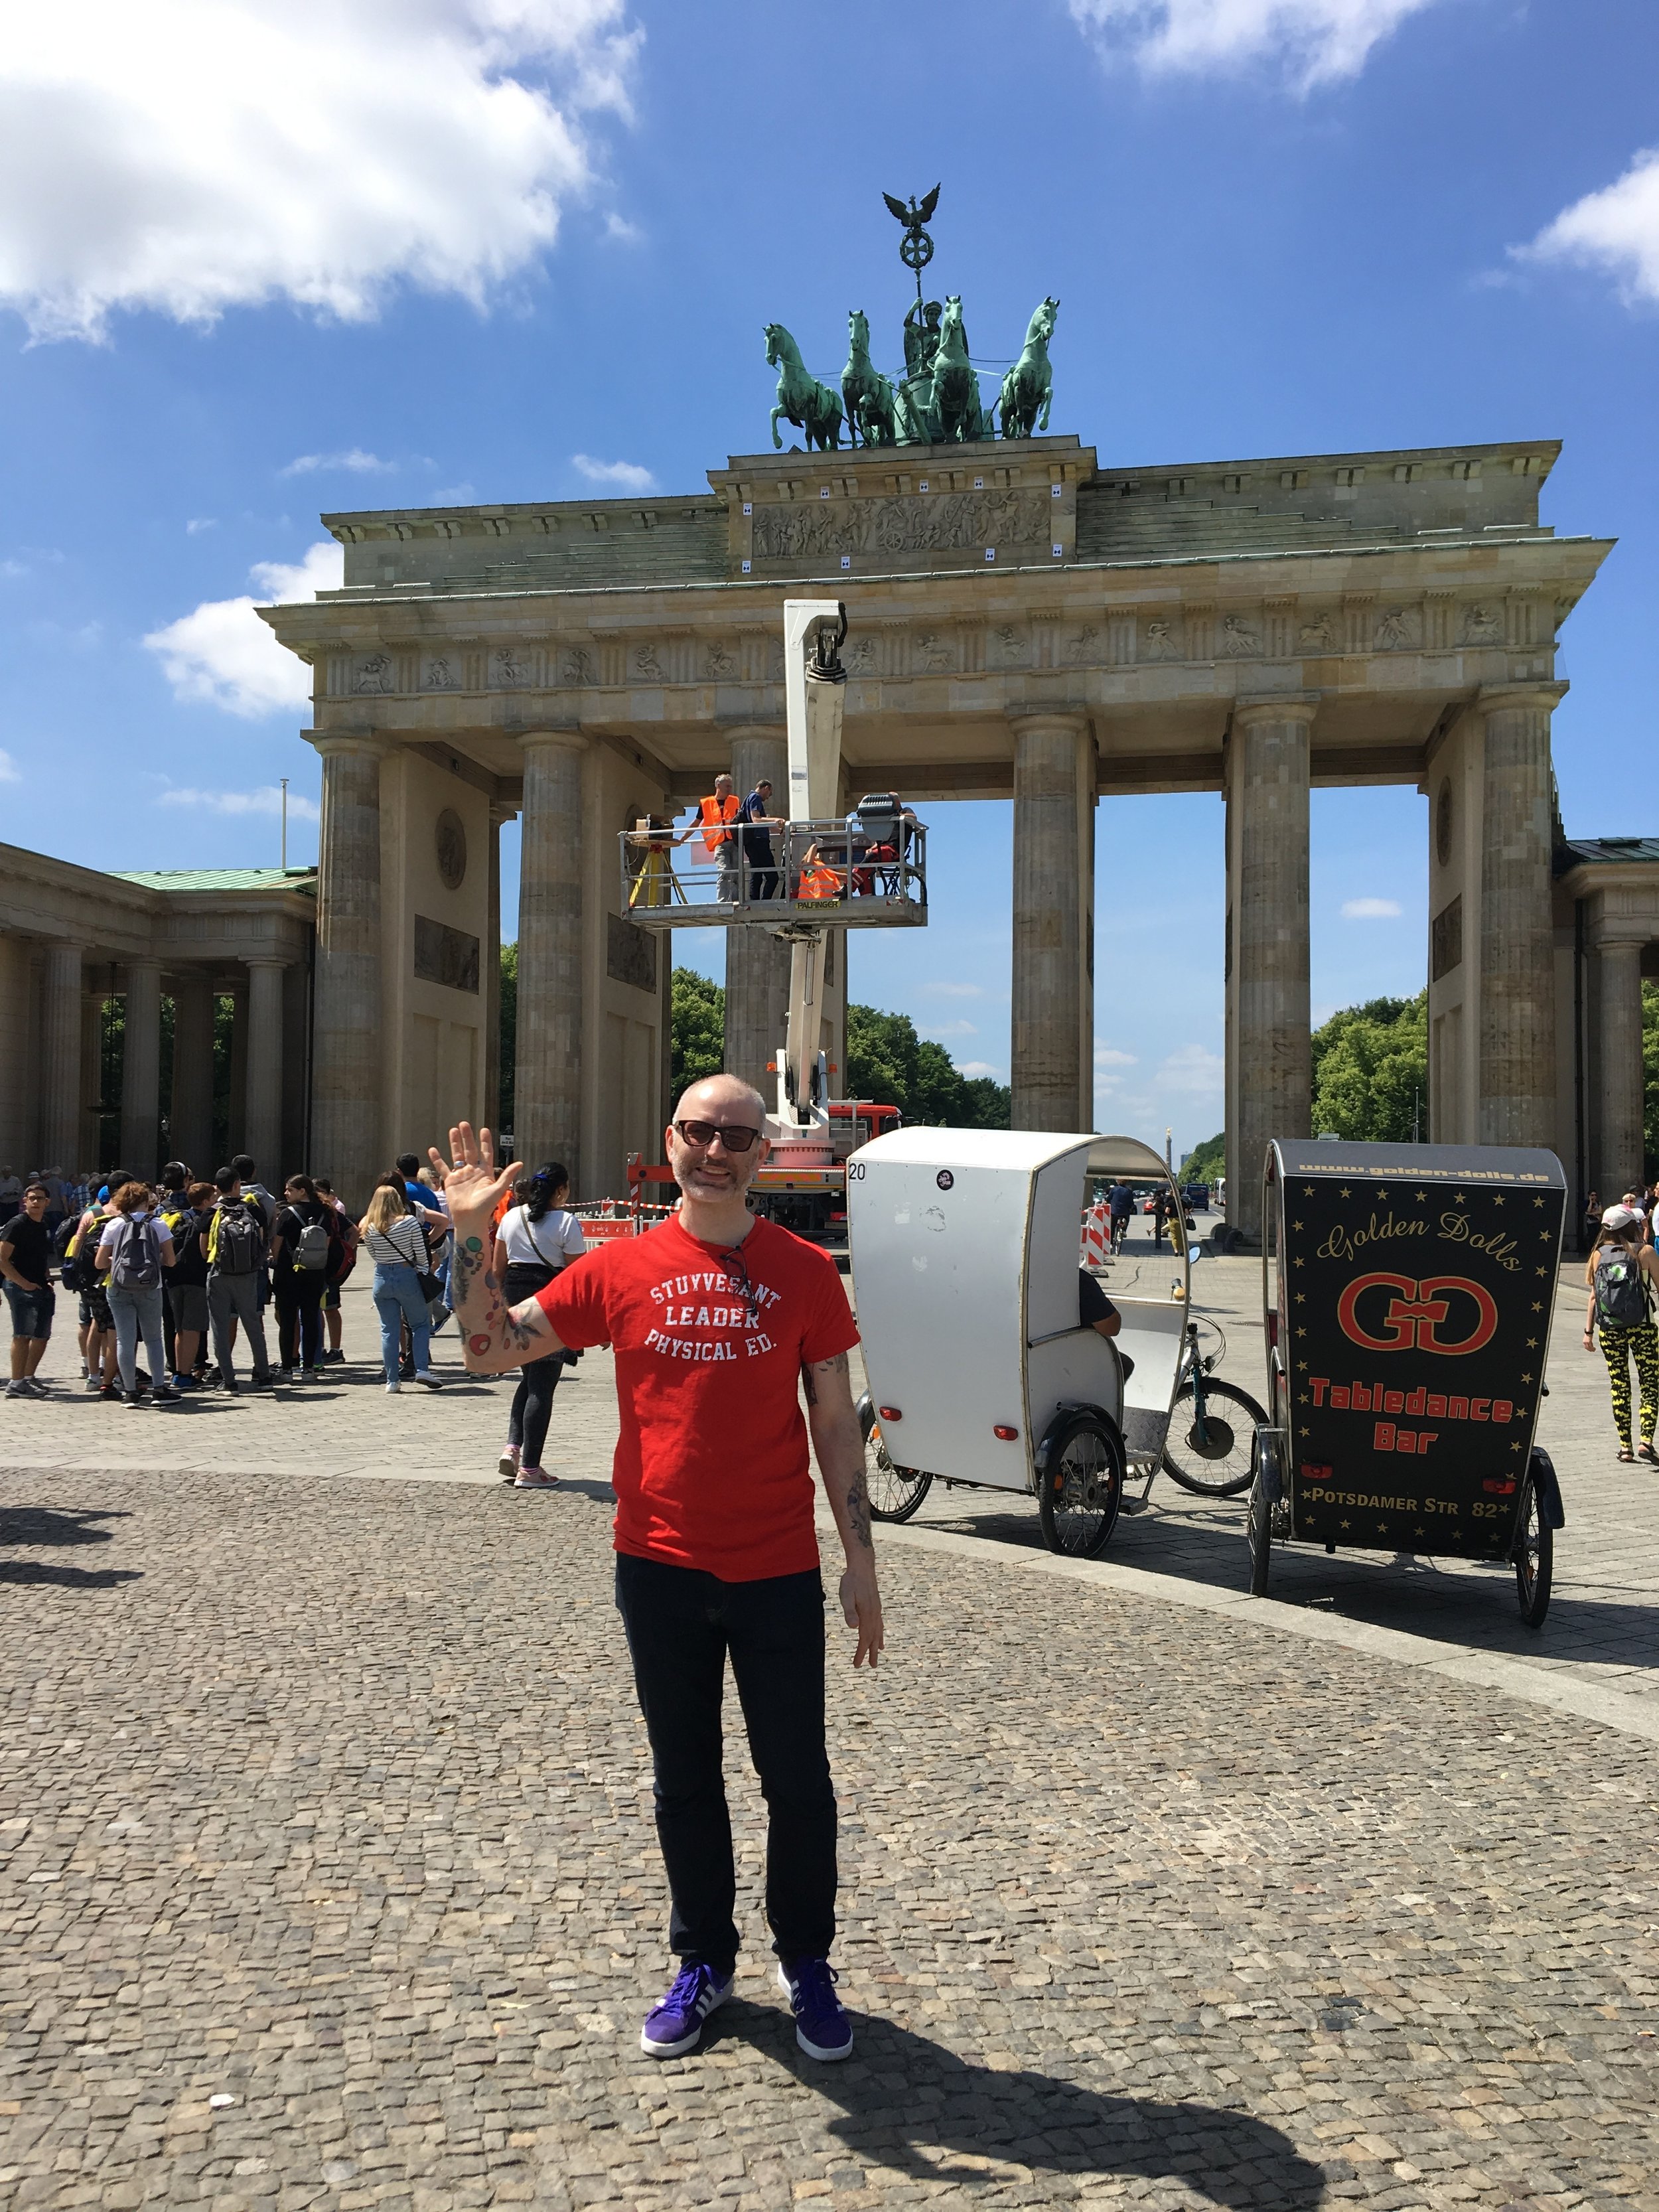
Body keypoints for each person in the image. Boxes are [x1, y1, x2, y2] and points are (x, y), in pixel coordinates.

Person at [436, 1074, 879, 2065]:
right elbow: (485, 1352)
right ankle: (704, 1960)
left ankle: (805, 1959)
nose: (714, 1150)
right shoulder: (619, 1269)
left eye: (735, 1134)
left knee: (797, 1780)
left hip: (774, 1568)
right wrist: (474, 1232)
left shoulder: (807, 1272)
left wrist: (861, 1560)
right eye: (697, 1131)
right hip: (660, 1565)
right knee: (685, 1780)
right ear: (668, 1140)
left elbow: (836, 1420)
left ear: (763, 1152)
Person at [492, 1162, 587, 1487]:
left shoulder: (509, 1217)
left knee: (529, 1379)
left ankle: (512, 1447)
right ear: (560, 1190)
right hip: (549, 1304)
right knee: (543, 1387)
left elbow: (497, 1269)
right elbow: (577, 1277)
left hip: (515, 1302)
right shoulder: (566, 1222)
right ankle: (530, 1470)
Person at [1585, 1203, 1659, 1463]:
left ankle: (1625, 1447)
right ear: (1631, 1226)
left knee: (1619, 1384)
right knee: (1649, 1381)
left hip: (1609, 1328)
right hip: (1643, 1326)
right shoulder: (1645, 1252)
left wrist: (1588, 1332)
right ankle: (1646, 1440)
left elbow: (1594, 1296)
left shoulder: (1597, 1255)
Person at [96, 1183, 179, 1407]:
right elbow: (171, 1261)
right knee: (153, 1339)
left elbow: (100, 1262)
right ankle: (160, 1390)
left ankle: (130, 1392)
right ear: (145, 1201)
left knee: (124, 1339)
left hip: (119, 1286)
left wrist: (121, 1263)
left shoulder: (114, 1225)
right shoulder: (158, 1224)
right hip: (151, 1287)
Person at [359, 1179, 441, 1393]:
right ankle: (421, 1368)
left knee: (389, 1330)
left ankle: (392, 1380)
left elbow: (374, 1254)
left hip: (382, 1277)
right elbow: (421, 1253)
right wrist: (424, 1271)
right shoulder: (409, 1222)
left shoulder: (368, 1225)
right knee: (421, 1324)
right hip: (407, 1275)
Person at [206, 1167, 275, 1393]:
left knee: (221, 1328)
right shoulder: (253, 1209)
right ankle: (264, 1376)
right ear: (238, 1185)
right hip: (248, 1275)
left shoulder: (211, 1212)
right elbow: (263, 1240)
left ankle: (229, 1381)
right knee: (253, 1325)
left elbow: (204, 1249)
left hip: (220, 1275)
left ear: (217, 1188)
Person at [268, 1174, 336, 1379]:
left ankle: (288, 1368)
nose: (286, 1193)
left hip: (289, 1273)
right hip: (315, 1272)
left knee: (288, 1321)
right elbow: (327, 1243)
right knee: (310, 1318)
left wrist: (275, 1262)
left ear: (302, 1191)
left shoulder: (288, 1213)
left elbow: (277, 1245)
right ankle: (309, 1368)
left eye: (290, 1190)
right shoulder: (326, 1212)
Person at [1, 1180, 56, 1396]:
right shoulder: (17, 1224)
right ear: (24, 1201)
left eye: (39, 1198)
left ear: (47, 1202)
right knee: (22, 1335)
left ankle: (28, 1377)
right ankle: (16, 1383)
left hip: (40, 1286)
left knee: (42, 1336)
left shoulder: (42, 1225)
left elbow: (41, 1257)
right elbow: (2, 1259)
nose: (35, 1202)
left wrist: (47, 1279)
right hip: (19, 1287)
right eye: (31, 1198)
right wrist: (22, 1283)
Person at [163, 1181, 215, 1387]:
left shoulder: (178, 1217)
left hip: (174, 1278)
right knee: (193, 1329)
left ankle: (178, 1371)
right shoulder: (206, 1220)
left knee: (180, 1329)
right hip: (196, 1280)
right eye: (212, 1198)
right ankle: (186, 1374)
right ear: (205, 1201)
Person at [313, 1179, 357, 1364]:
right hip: (317, 1266)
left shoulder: (332, 1213)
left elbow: (355, 1231)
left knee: (330, 1308)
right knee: (319, 1310)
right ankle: (320, 1348)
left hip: (329, 1267)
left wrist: (347, 1249)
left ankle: (335, 1350)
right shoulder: (312, 1210)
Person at [691, 774, 741, 902]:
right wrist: (682, 838)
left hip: (734, 843)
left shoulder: (735, 801)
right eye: (727, 786)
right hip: (720, 844)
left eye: (731, 786)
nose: (730, 789)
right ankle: (723, 902)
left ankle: (736, 901)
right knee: (724, 872)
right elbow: (696, 822)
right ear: (718, 786)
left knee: (736, 874)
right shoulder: (706, 803)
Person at [737, 778, 781, 901]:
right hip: (758, 842)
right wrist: (775, 820)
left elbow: (761, 823)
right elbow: (756, 820)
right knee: (773, 877)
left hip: (752, 842)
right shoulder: (755, 798)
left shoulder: (749, 798)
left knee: (756, 874)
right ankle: (765, 902)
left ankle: (754, 902)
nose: (768, 797)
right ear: (766, 788)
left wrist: (781, 832)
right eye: (770, 794)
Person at [1107, 1179, 1135, 1252]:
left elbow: (1108, 1199)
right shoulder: (1129, 1191)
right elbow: (1131, 1203)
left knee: (1112, 1226)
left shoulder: (1114, 1190)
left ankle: (1110, 1243)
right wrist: (1130, 1208)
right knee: (1127, 1218)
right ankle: (1124, 1230)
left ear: (1118, 1182)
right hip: (1124, 1212)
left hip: (1115, 1211)